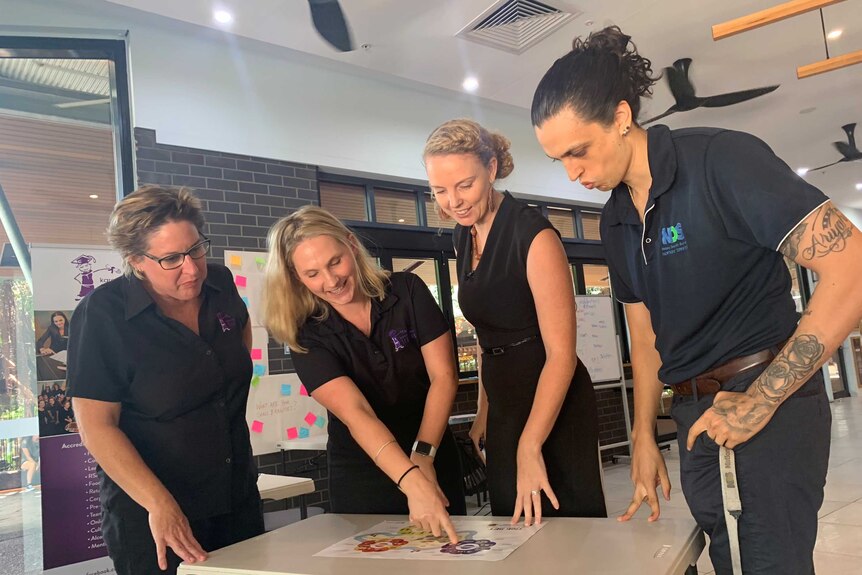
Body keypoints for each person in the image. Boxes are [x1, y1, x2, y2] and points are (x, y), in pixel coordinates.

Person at [531, 26, 862, 574]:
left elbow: (851, 264)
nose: (573, 173)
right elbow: (644, 336)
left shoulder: (720, 160)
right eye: (558, 160)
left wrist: (762, 398)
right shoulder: (614, 219)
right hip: (691, 414)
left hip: (766, 397)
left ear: (620, 118)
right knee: (728, 561)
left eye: (578, 151)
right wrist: (642, 436)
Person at [67, 185, 263, 575]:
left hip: (234, 494)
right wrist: (160, 503)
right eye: (171, 259)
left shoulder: (221, 286)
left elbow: (236, 362)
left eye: (196, 250)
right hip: (153, 512)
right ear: (136, 260)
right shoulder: (103, 315)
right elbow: (96, 427)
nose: (191, 268)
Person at [423, 119, 606, 526]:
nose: (454, 200)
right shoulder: (462, 236)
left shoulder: (533, 234)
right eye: (440, 190)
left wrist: (531, 443)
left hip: (553, 401)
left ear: (491, 168)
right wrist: (483, 413)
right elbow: (488, 336)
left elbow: (562, 354)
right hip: (504, 401)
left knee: (563, 529)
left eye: (464, 185)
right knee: (513, 525)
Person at [263, 206, 464, 543]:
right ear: (297, 278)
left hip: (431, 448)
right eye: (312, 274)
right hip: (363, 471)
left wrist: (423, 458)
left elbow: (444, 377)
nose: (330, 281)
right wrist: (412, 478)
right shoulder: (306, 334)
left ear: (352, 246)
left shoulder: (408, 290)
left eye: (335, 262)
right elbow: (357, 414)